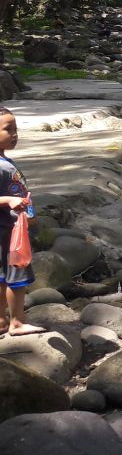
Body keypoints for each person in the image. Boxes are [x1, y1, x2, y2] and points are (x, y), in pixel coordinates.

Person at [0, 107, 45, 337]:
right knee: (16, 279)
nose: (15, 134)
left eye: (16, 129)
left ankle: (1, 321)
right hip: (9, 234)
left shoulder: (4, 161)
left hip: (11, 229)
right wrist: (8, 200)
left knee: (2, 278)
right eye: (8, 129)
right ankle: (16, 322)